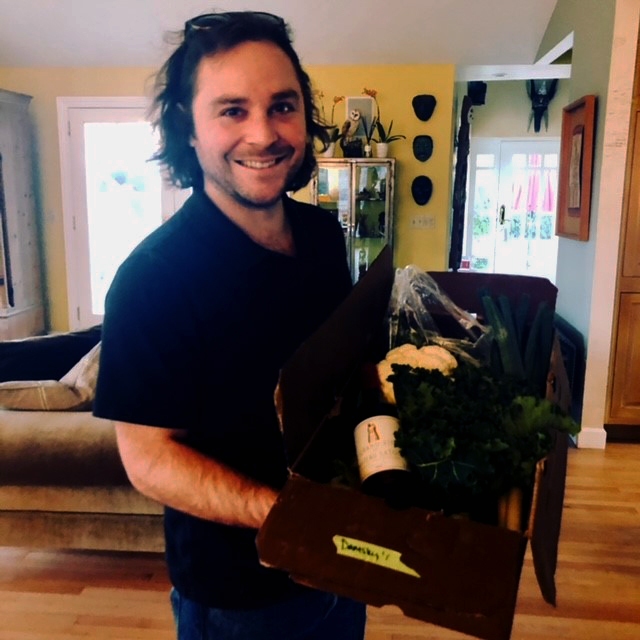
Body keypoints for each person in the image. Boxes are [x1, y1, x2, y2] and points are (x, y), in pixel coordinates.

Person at [93, 10, 365, 640]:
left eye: (282, 106)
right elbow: (147, 459)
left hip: (344, 566)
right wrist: (288, 517)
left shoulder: (323, 236)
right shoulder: (153, 279)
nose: (263, 134)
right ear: (187, 129)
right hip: (239, 599)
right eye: (232, 110)